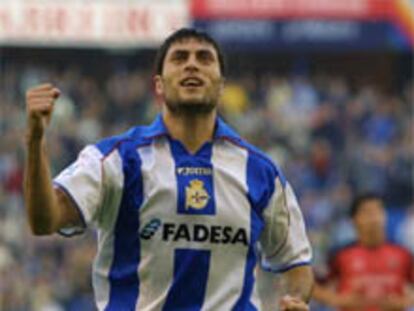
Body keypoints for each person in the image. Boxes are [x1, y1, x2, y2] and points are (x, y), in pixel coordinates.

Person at [24, 28, 313, 311]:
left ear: (221, 85)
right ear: (159, 85)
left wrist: (294, 299)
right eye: (179, 58)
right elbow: (44, 220)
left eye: (204, 58)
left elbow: (296, 264)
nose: (191, 64)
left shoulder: (260, 171)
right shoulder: (116, 159)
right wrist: (35, 141)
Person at [312, 193, 414, 311]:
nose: (374, 218)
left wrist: (405, 302)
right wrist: (337, 300)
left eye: (378, 211)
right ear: (354, 220)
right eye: (367, 212)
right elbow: (312, 285)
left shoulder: (403, 254)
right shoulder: (340, 255)